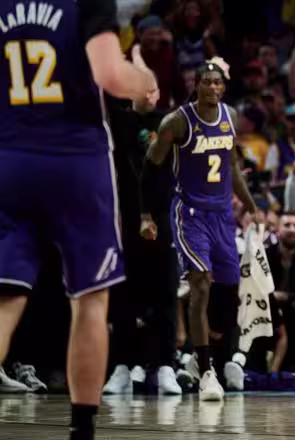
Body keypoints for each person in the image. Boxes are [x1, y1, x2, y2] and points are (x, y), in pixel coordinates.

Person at [0, 1, 158, 438]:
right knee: (89, 298)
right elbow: (110, 74)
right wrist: (144, 80)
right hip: (76, 161)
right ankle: (82, 430)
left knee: (5, 297)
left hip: (9, 159)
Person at [140, 61, 257, 401]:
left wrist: (252, 207)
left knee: (229, 291)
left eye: (217, 82)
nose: (212, 87)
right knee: (201, 283)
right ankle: (206, 370)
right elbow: (150, 167)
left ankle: (199, 355)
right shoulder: (176, 121)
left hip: (223, 215)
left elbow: (232, 167)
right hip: (189, 213)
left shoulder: (230, 116)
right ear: (196, 85)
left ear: (224, 87)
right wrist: (146, 213)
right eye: (206, 82)